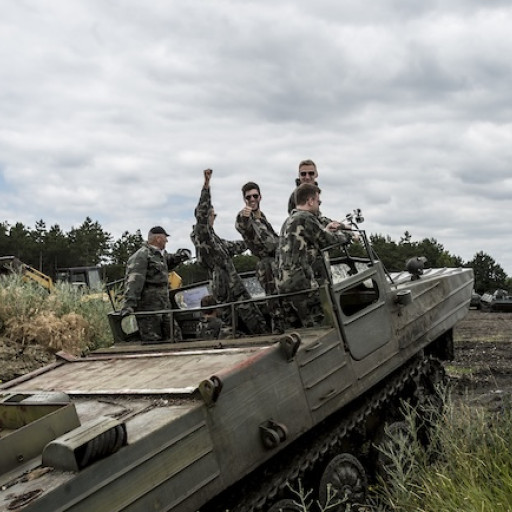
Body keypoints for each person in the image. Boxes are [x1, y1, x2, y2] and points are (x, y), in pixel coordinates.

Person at [191, 169, 267, 335]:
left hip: (235, 287)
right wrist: (206, 186)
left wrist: (254, 240)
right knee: (229, 325)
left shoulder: (214, 238)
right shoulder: (202, 235)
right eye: (213, 214)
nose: (214, 217)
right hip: (225, 290)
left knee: (254, 320)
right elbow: (202, 215)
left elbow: (233, 246)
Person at [277, 183, 354, 327]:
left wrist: (325, 229)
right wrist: (345, 235)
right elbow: (328, 241)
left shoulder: (288, 221)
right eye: (318, 202)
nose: (318, 205)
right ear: (310, 201)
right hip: (302, 284)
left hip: (284, 283)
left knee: (297, 328)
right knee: (318, 324)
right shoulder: (306, 217)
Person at [120, 226, 191, 343]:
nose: (166, 241)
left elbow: (169, 261)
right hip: (149, 309)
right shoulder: (142, 255)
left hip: (163, 306)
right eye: (165, 238)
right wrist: (129, 304)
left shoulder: (159, 255)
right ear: (158, 238)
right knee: (153, 341)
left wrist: (182, 255)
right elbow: (134, 281)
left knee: (175, 336)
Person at [235, 182, 284, 333]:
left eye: (255, 196)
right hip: (266, 264)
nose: (252, 199)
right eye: (248, 197)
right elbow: (242, 226)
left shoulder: (262, 217)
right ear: (244, 199)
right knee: (274, 301)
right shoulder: (244, 217)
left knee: (283, 296)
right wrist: (245, 217)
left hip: (278, 260)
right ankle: (278, 332)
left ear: (260, 197)